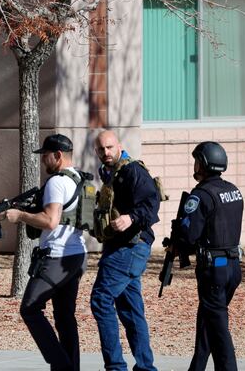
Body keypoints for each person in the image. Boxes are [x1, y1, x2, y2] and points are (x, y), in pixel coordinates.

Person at [0, 134, 88, 371]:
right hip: (76, 255)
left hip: (57, 256)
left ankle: (62, 366)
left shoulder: (57, 182)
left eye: (45, 155)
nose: (42, 160)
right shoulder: (77, 178)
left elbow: (50, 221)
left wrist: (20, 216)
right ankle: (70, 367)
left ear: (57, 155)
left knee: (30, 308)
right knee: (64, 316)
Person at [91, 130, 159, 371]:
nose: (106, 153)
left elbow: (152, 205)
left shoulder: (133, 171)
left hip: (131, 246)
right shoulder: (109, 173)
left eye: (110, 147)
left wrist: (131, 218)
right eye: (101, 149)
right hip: (119, 246)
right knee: (130, 309)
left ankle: (116, 367)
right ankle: (146, 367)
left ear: (119, 146)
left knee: (100, 300)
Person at [173, 141, 243, 371]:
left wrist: (177, 242)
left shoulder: (201, 195)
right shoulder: (233, 191)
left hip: (214, 270)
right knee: (208, 321)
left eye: (196, 161)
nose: (194, 165)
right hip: (232, 265)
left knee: (219, 329)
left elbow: (190, 236)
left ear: (203, 163)